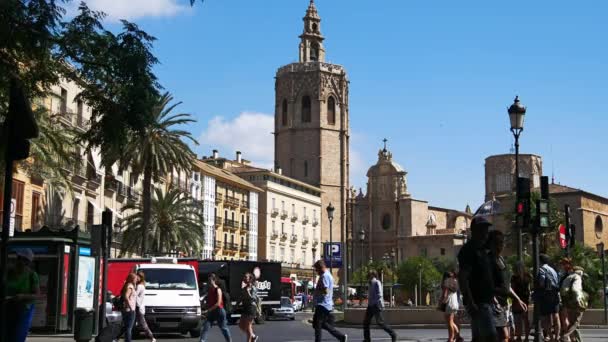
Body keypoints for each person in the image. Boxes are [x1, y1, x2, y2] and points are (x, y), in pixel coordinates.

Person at [457, 216, 497, 342]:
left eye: (486, 229)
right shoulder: (469, 250)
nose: (486, 232)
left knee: (479, 338)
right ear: (474, 230)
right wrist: (469, 301)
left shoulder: (484, 250)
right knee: (491, 337)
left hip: (487, 301)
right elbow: (463, 277)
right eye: (482, 229)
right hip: (479, 303)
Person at [486, 230, 528, 342]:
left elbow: (506, 284)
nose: (501, 245)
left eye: (501, 242)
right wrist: (494, 300)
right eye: (497, 242)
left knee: (504, 336)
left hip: (503, 304)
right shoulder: (488, 260)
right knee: (502, 335)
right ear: (490, 244)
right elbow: (486, 284)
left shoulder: (501, 260)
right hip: (493, 305)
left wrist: (518, 299)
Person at [6, 248, 40, 342]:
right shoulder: (9, 272)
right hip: (8, 308)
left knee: (17, 336)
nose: (20, 262)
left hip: (24, 309)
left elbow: (37, 295)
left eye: (23, 260)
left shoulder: (32, 275)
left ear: (28, 262)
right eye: (19, 258)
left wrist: (23, 296)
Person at [312, 259, 347, 342]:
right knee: (320, 324)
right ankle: (341, 337)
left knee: (317, 325)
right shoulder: (328, 275)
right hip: (325, 304)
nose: (317, 272)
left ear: (321, 267)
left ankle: (319, 340)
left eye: (317, 269)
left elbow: (326, 290)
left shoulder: (324, 276)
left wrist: (319, 290)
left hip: (323, 304)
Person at [363, 269, 396, 342]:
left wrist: (374, 303)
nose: (368, 275)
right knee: (366, 322)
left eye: (369, 274)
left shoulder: (377, 282)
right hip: (370, 305)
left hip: (376, 305)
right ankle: (367, 339)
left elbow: (380, 295)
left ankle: (393, 334)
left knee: (380, 323)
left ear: (373, 275)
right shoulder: (370, 283)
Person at [559, 258, 587, 342]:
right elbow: (575, 289)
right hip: (575, 303)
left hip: (567, 304)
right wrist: (579, 301)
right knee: (576, 322)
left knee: (572, 322)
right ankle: (564, 336)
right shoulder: (577, 277)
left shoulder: (567, 277)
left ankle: (575, 339)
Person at [200, 273, 232, 342]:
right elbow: (209, 302)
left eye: (210, 280)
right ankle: (202, 341)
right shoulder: (209, 290)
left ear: (214, 280)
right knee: (206, 327)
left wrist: (208, 310)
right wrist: (203, 307)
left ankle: (229, 341)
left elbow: (218, 303)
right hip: (211, 312)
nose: (208, 282)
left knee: (223, 328)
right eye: (208, 280)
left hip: (219, 311)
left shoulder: (218, 289)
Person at [537, 254, 561, 342]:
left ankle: (551, 337)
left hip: (546, 295)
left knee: (545, 318)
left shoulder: (541, 269)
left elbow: (542, 282)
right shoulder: (553, 270)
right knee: (556, 315)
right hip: (555, 294)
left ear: (540, 261)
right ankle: (557, 337)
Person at [512, 261, 532, 342]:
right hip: (525, 300)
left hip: (517, 300)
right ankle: (526, 338)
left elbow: (512, 289)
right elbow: (529, 289)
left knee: (518, 321)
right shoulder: (528, 276)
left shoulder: (514, 278)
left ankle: (519, 337)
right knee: (526, 320)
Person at [440, 271, 462, 342]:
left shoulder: (446, 282)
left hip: (449, 304)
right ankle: (458, 336)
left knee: (449, 322)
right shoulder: (454, 282)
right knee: (452, 321)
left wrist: (441, 302)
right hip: (454, 304)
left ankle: (451, 338)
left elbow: (445, 295)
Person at [136, 270, 156, 342]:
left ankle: (152, 337)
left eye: (137, 276)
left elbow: (134, 295)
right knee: (131, 323)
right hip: (140, 307)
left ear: (141, 278)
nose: (136, 278)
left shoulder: (139, 286)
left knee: (143, 324)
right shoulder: (142, 285)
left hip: (137, 307)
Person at [239, 272, 259, 342]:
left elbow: (253, 298)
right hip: (245, 308)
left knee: (248, 327)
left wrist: (248, 292)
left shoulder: (253, 288)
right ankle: (253, 336)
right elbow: (240, 298)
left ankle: (251, 338)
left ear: (250, 279)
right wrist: (235, 306)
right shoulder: (244, 288)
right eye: (244, 277)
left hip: (251, 308)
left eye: (246, 277)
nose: (244, 278)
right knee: (241, 325)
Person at [121, 273, 138, 342]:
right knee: (129, 328)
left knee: (126, 327)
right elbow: (126, 296)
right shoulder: (130, 286)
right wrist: (131, 307)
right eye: (136, 278)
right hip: (129, 310)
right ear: (132, 279)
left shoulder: (127, 285)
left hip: (126, 309)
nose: (136, 280)